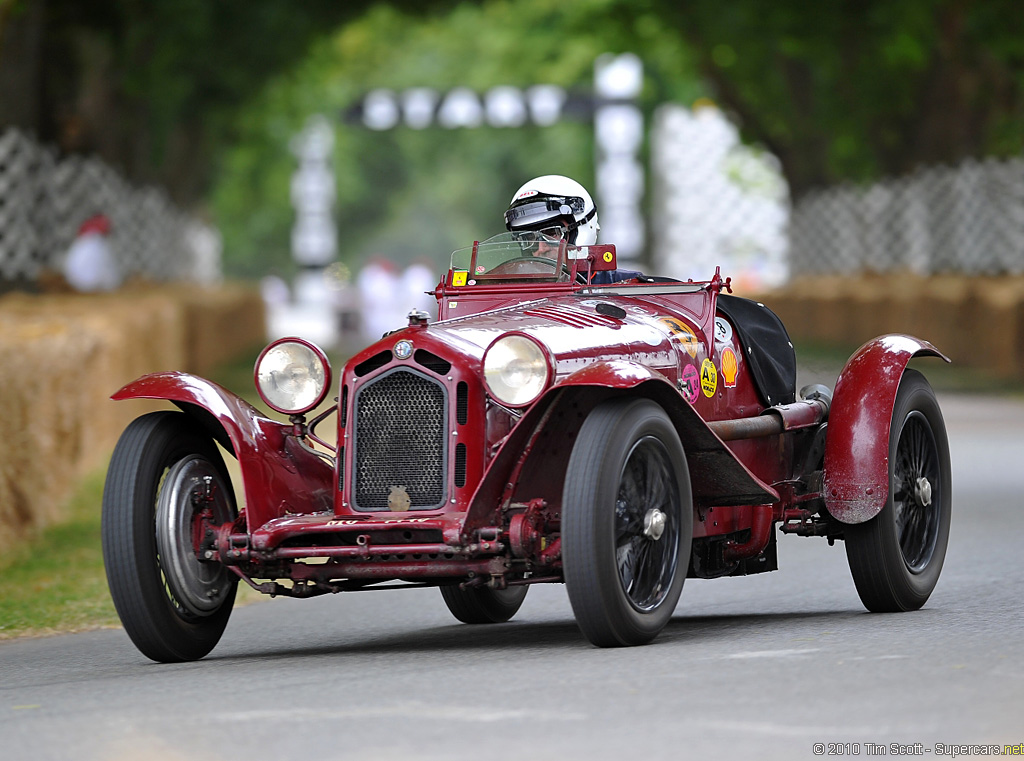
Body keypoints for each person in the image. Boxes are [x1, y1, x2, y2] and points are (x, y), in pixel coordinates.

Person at [503, 175, 643, 283]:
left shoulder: (629, 289)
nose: (541, 248)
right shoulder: (507, 296)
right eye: (529, 239)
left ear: (580, 230)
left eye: (552, 233)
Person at [63, 213, 120, 292]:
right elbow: (108, 274)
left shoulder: (82, 242)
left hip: (76, 284)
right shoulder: (96, 242)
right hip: (93, 286)